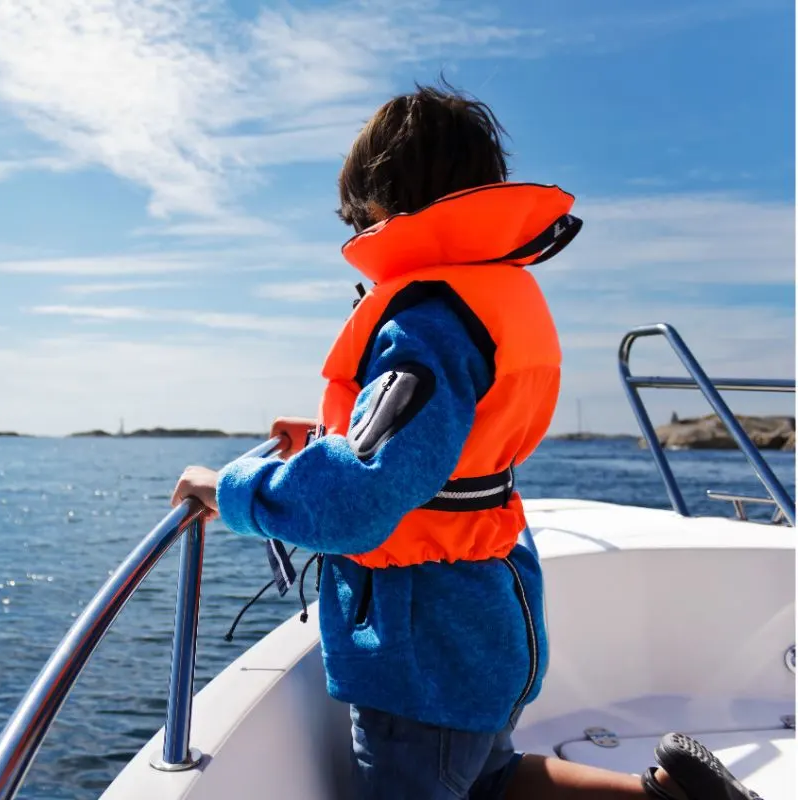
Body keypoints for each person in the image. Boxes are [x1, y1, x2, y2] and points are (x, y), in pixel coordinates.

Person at [171, 83, 760, 800]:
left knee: (447, 776)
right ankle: (669, 797)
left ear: (381, 206)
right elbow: (431, 439)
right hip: (484, 620)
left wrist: (229, 489)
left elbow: (361, 495)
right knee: (490, 778)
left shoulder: (427, 322)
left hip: (425, 650)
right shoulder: (485, 293)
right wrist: (331, 434)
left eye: (353, 216)